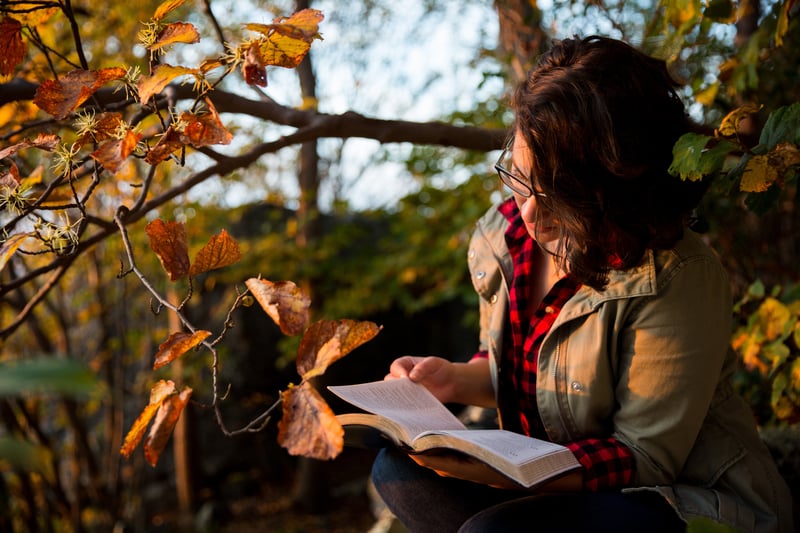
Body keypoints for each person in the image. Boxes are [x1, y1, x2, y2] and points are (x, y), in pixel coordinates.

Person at [370, 35, 793, 533]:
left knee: (493, 531)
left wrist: (508, 474)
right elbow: (523, 370)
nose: (529, 213)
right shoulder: (507, 235)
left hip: (676, 499)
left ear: (614, 193)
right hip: (543, 487)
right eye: (522, 177)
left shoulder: (677, 277)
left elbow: (644, 457)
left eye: (560, 197)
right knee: (394, 472)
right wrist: (450, 380)